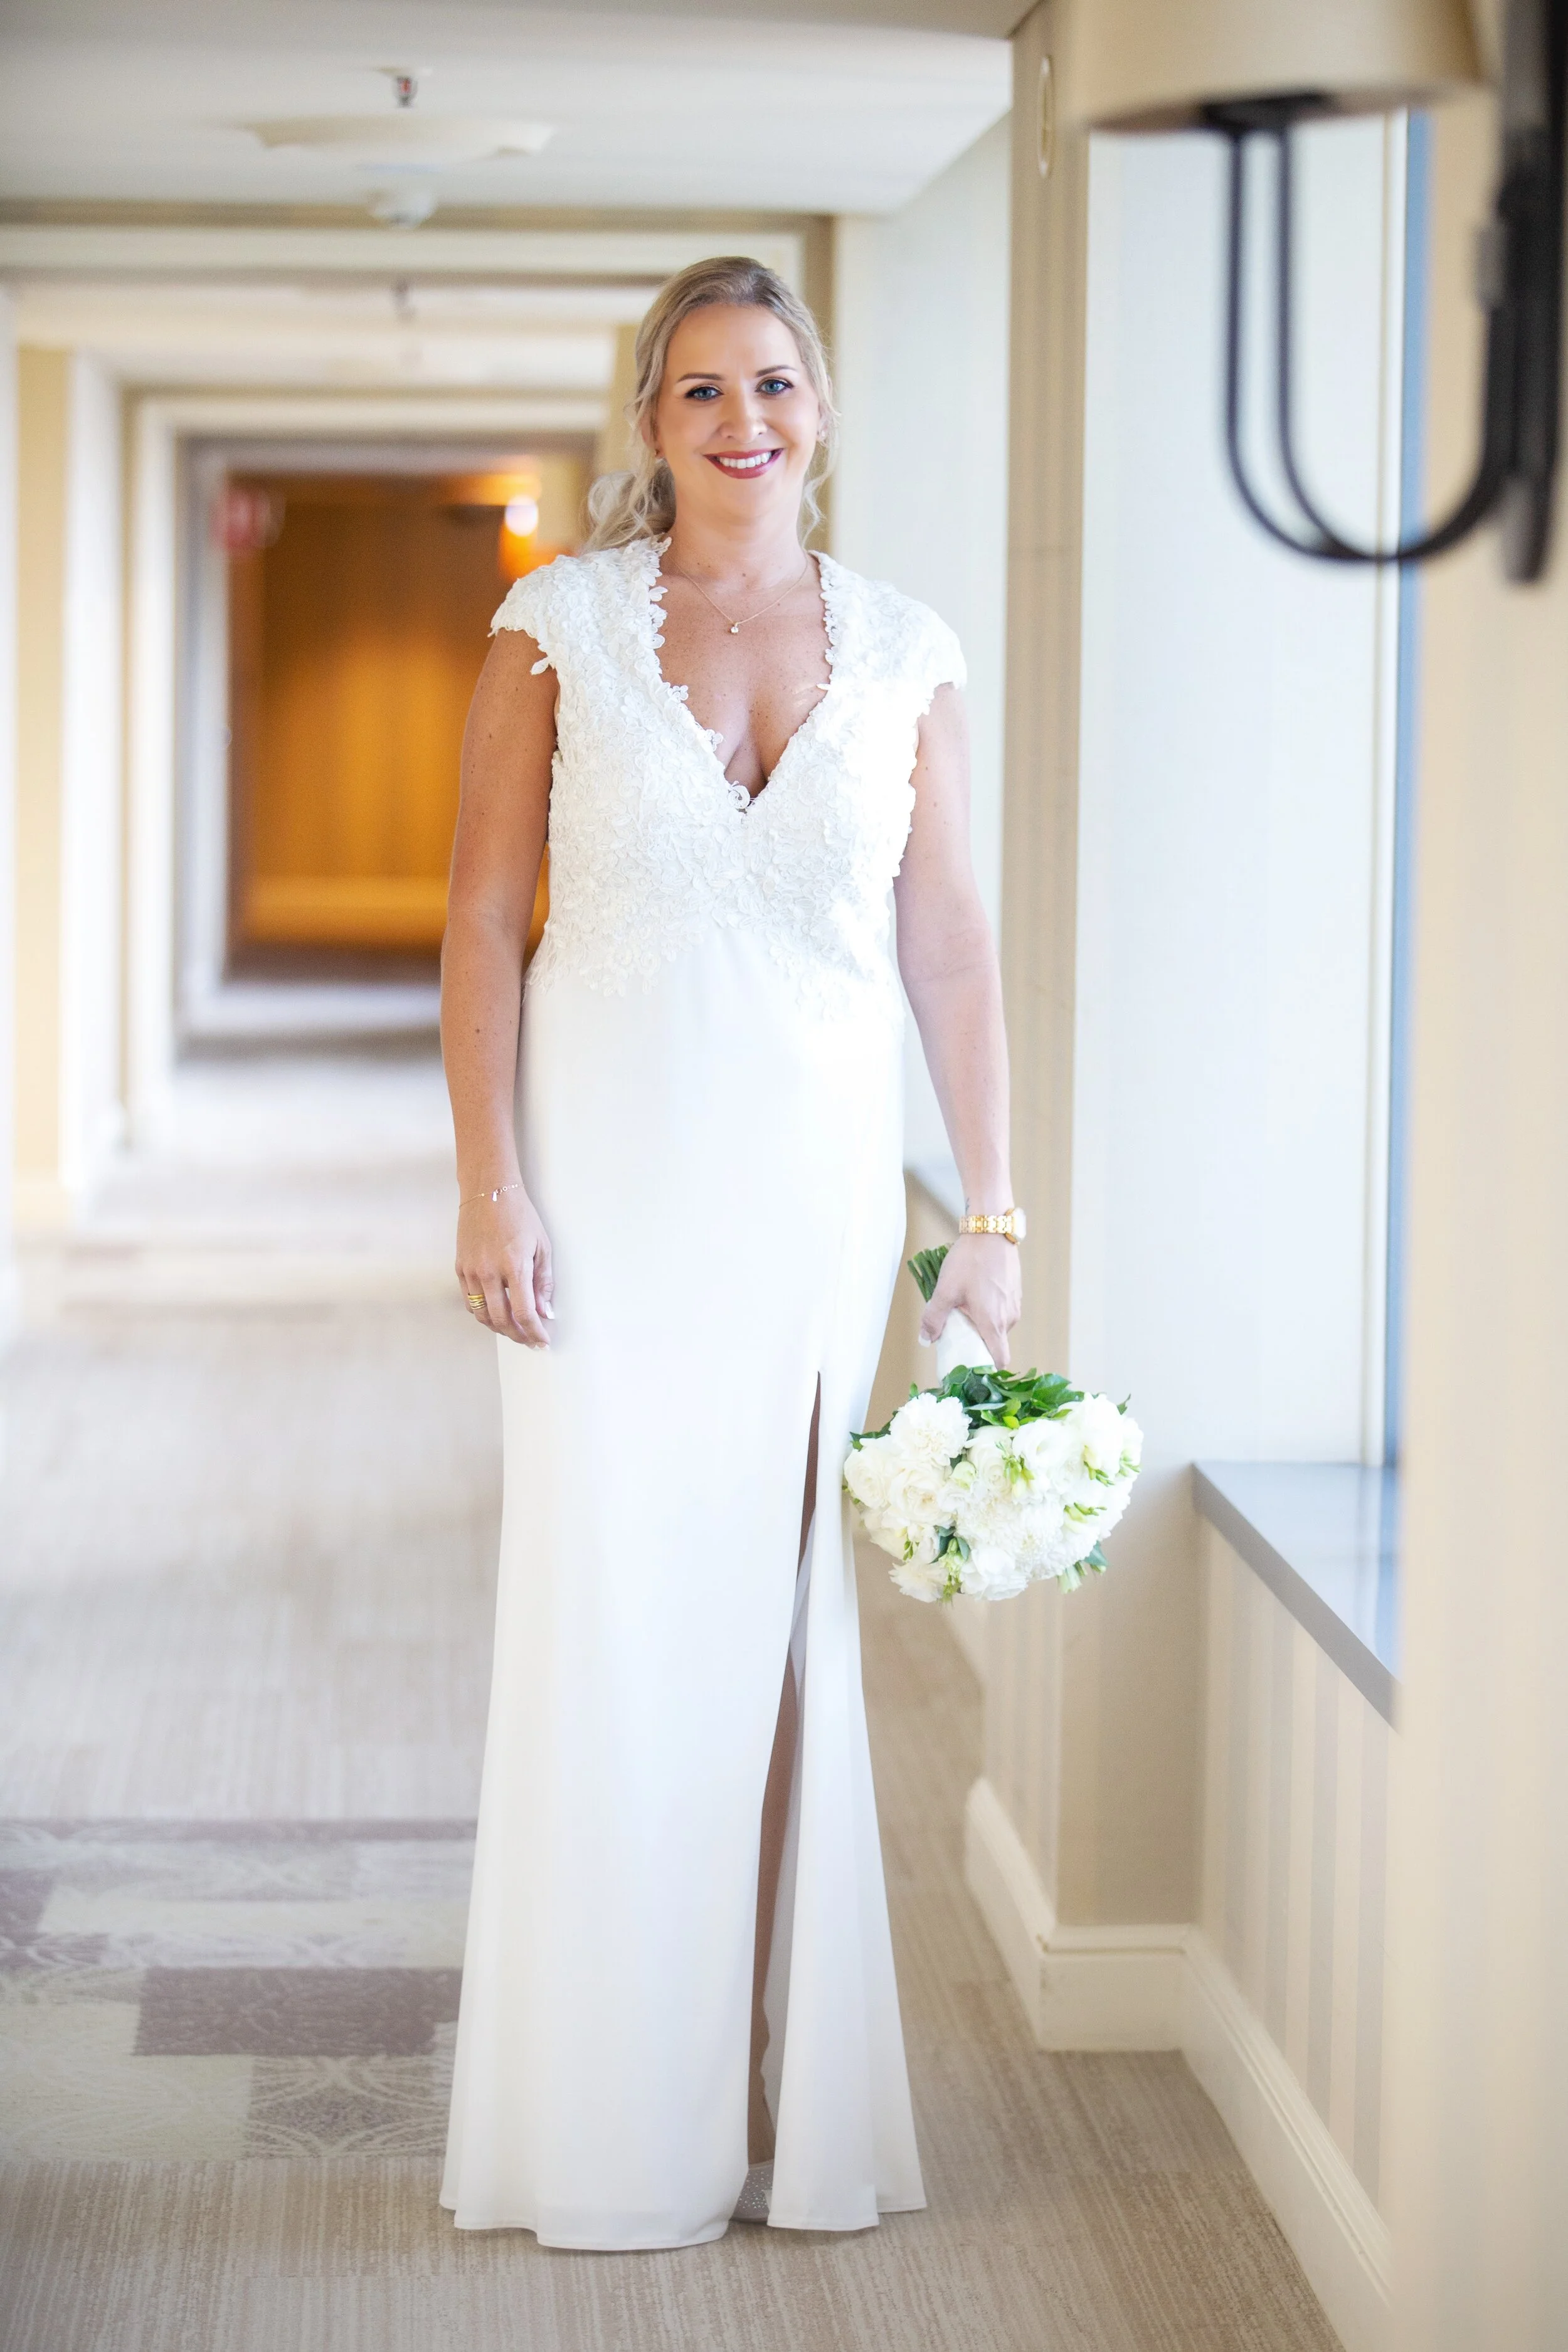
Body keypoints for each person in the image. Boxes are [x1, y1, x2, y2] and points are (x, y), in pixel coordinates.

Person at [438, 255, 1020, 2249]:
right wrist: (487, 1183)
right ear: (650, 421)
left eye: (772, 382)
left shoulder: (914, 648)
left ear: (824, 406)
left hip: (809, 1192)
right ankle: (612, 2108)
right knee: (618, 1611)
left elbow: (948, 945)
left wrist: (993, 1212)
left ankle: (772, 2072)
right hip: (604, 1180)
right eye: (699, 389)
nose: (739, 420)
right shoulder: (558, 629)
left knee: (780, 1628)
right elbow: (478, 920)